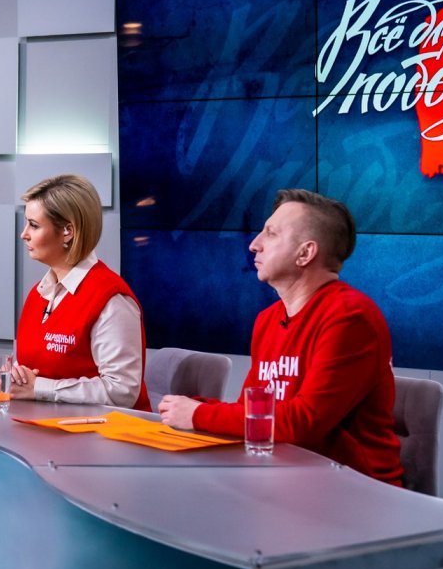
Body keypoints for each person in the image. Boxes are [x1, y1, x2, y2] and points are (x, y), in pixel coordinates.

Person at [157, 188, 403, 484]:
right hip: (285, 478)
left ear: (305, 253)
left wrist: (199, 415)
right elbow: (252, 410)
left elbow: (306, 422)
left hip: (354, 489)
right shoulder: (268, 319)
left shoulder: (350, 317)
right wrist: (193, 406)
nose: (254, 245)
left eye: (271, 234)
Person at [8, 174, 150, 411]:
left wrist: (40, 388)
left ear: (68, 231)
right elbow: (30, 372)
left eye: (34, 225)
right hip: (44, 426)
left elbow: (122, 391)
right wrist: (13, 381)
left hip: (104, 432)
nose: (24, 234)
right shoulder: (37, 294)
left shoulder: (111, 299)